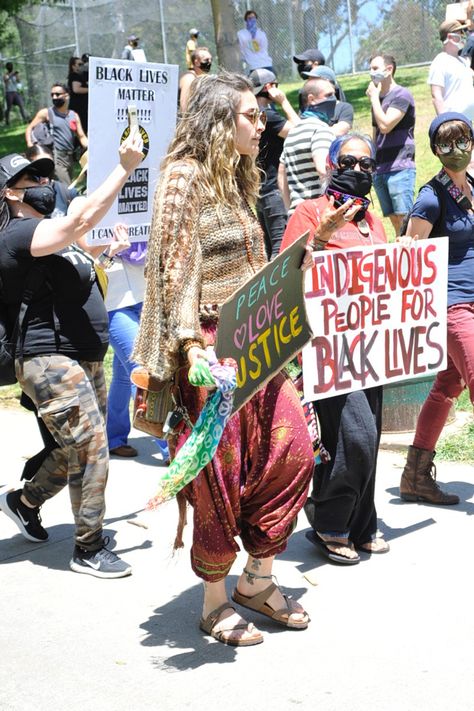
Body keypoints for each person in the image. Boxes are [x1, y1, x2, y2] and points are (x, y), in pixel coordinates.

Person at [133, 72, 314, 646]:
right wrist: (189, 346)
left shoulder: (239, 176)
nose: (262, 123)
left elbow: (252, 265)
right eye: (250, 115)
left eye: (261, 115)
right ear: (218, 121)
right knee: (218, 474)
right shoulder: (182, 178)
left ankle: (256, 579)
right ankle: (214, 597)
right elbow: (174, 266)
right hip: (207, 350)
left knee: (294, 452)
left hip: (257, 341)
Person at [0, 127, 144, 578]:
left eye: (45, 178)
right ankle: (88, 546)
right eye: (31, 181)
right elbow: (78, 224)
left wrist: (103, 255)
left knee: (74, 448)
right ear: (9, 193)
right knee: (92, 446)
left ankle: (23, 501)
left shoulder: (51, 242)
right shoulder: (17, 233)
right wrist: (124, 168)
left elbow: (78, 258)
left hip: (81, 353)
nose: (44, 186)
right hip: (47, 358)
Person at [281, 132, 390, 564]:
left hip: (373, 346)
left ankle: (360, 523)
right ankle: (328, 521)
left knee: (370, 438)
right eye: (349, 161)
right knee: (355, 436)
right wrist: (321, 237)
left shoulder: (373, 220)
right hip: (327, 350)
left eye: (367, 165)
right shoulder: (310, 211)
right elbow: (288, 271)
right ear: (331, 164)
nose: (358, 170)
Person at [398, 111, 474, 506]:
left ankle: (414, 476)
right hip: (453, 304)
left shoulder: (473, 188)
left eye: (462, 140)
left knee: (448, 385)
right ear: (435, 150)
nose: (456, 149)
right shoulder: (430, 197)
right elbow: (409, 255)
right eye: (446, 143)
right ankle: (415, 475)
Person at [249, 68, 299, 258]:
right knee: (281, 248)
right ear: (269, 87)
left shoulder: (252, 117)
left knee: (270, 248)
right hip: (274, 192)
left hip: (260, 191)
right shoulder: (268, 116)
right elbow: (299, 131)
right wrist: (284, 101)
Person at [366, 53, 416, 235]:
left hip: (400, 166)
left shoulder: (402, 94)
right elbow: (376, 133)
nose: (371, 72)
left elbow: (386, 125)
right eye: (370, 68)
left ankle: (414, 255)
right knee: (394, 219)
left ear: (389, 69)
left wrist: (373, 98)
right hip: (381, 168)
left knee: (405, 217)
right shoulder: (377, 99)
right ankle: (402, 257)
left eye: (375, 68)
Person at [278, 78, 335, 215]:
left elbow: (281, 174)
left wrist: (290, 209)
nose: (334, 99)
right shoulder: (321, 129)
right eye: (328, 95)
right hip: (319, 214)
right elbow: (323, 169)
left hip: (298, 214)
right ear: (312, 99)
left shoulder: (292, 133)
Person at [25, 83, 88, 185]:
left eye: (57, 94)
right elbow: (30, 128)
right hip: (56, 156)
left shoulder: (74, 115)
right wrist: (31, 145)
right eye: (52, 94)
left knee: (61, 187)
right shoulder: (46, 113)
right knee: (67, 188)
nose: (54, 97)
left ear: (67, 95)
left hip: (70, 157)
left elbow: (81, 136)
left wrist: (91, 148)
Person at [428, 19, 474, 121]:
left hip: (468, 121)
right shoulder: (440, 62)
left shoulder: (463, 61)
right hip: (454, 124)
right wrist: (445, 122)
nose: (463, 36)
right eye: (459, 33)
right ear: (450, 37)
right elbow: (436, 95)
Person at [304, 69, 353, 135]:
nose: (310, 84)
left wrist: (309, 133)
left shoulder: (344, 108)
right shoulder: (308, 109)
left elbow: (340, 131)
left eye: (314, 81)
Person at [178, 47, 213, 113]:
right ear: (196, 62)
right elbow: (184, 108)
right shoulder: (189, 78)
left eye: (211, 60)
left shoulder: (200, 78)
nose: (209, 62)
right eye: (206, 60)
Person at [67, 55, 89, 135]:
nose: (82, 66)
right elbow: (76, 89)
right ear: (73, 66)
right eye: (79, 64)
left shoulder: (81, 76)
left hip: (82, 108)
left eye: (82, 64)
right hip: (78, 108)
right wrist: (91, 90)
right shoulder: (74, 76)